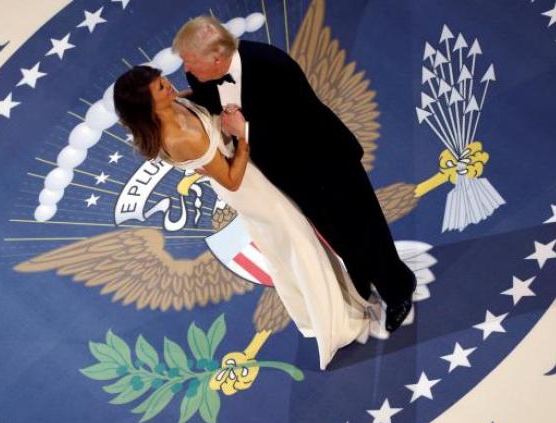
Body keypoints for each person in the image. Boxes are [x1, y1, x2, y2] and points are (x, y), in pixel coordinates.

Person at [113, 65, 372, 369]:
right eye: (160, 88)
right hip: (250, 189)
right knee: (299, 243)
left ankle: (320, 310)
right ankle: (337, 323)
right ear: (147, 106)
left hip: (253, 173)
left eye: (162, 80)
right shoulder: (180, 138)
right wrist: (242, 133)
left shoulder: (173, 107)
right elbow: (232, 179)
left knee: (284, 250)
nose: (168, 86)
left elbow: (195, 99)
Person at [172, 15, 416, 332]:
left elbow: (301, 127)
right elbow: (210, 101)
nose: (187, 70)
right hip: (285, 171)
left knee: (365, 225)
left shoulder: (273, 65)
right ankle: (359, 276)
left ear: (217, 58)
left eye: (191, 63)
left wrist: (244, 129)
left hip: (327, 159)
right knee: (332, 228)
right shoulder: (199, 76)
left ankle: (398, 289)